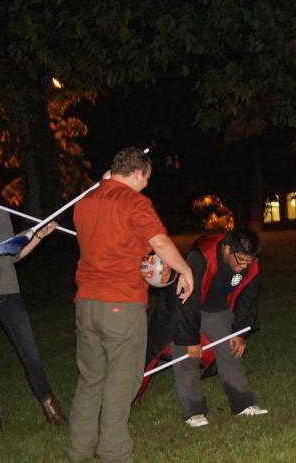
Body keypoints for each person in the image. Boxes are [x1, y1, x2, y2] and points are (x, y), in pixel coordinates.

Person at [66, 147, 194, 463]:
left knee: (90, 380)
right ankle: (115, 455)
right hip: (121, 305)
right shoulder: (134, 202)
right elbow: (160, 242)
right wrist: (184, 269)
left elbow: (104, 208)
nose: (145, 186)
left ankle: (78, 452)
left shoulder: (85, 202)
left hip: (86, 304)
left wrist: (104, 184)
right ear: (136, 173)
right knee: (121, 384)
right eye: (145, 180)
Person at [0, 165, 64, 430]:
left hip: (9, 290)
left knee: (30, 351)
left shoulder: (4, 215)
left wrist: (39, 235)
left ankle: (51, 407)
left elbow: (14, 255)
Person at [143, 228, 267, 427]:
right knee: (186, 356)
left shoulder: (251, 265)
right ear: (227, 249)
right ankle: (193, 412)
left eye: (249, 261)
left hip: (217, 309)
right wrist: (189, 339)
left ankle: (242, 404)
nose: (245, 266)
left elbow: (248, 299)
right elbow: (187, 301)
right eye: (241, 260)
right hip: (183, 306)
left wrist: (241, 331)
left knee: (231, 351)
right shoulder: (200, 257)